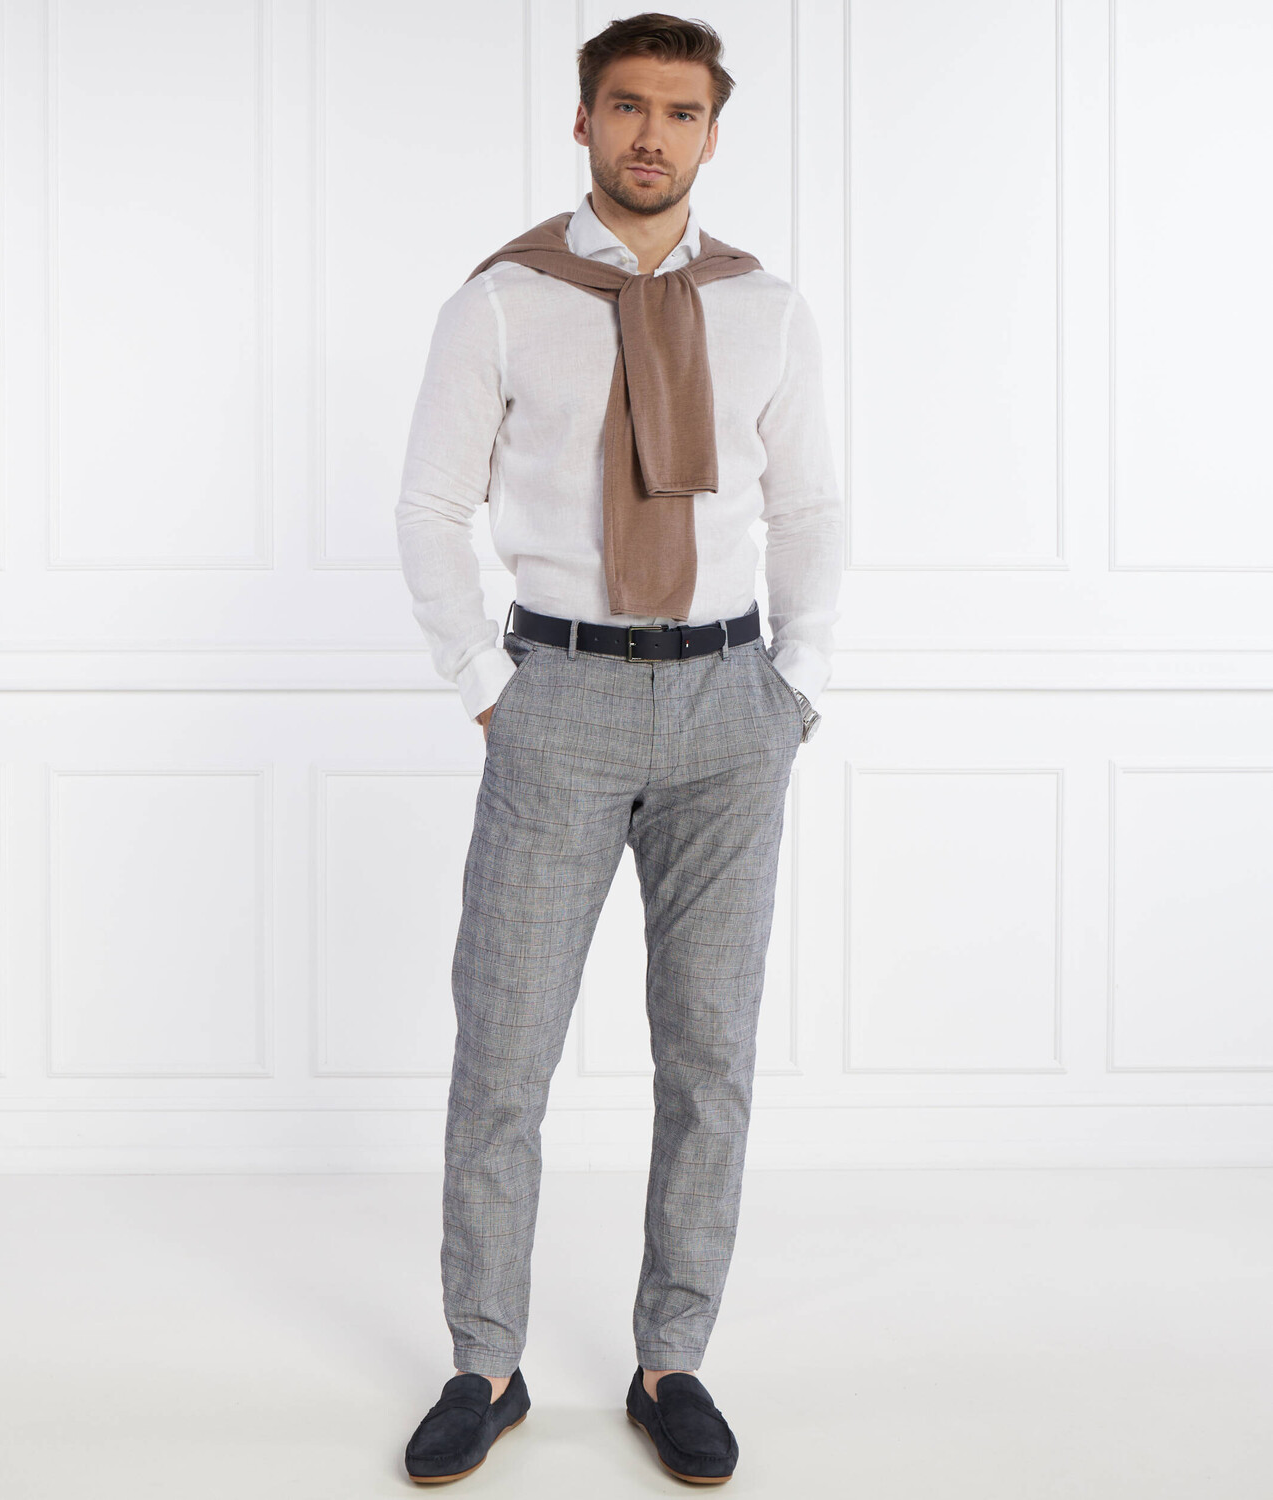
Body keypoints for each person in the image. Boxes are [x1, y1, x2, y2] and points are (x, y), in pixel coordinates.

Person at [394, 11, 840, 1486]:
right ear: (582, 121)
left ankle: (672, 1360)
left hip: (729, 707)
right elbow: (430, 507)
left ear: (712, 132)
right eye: (629, 107)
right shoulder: (503, 300)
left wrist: (796, 685)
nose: (654, 135)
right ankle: (485, 1362)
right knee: (504, 1050)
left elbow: (809, 509)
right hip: (558, 702)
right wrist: (486, 683)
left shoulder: (765, 307)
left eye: (682, 112)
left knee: (709, 1054)